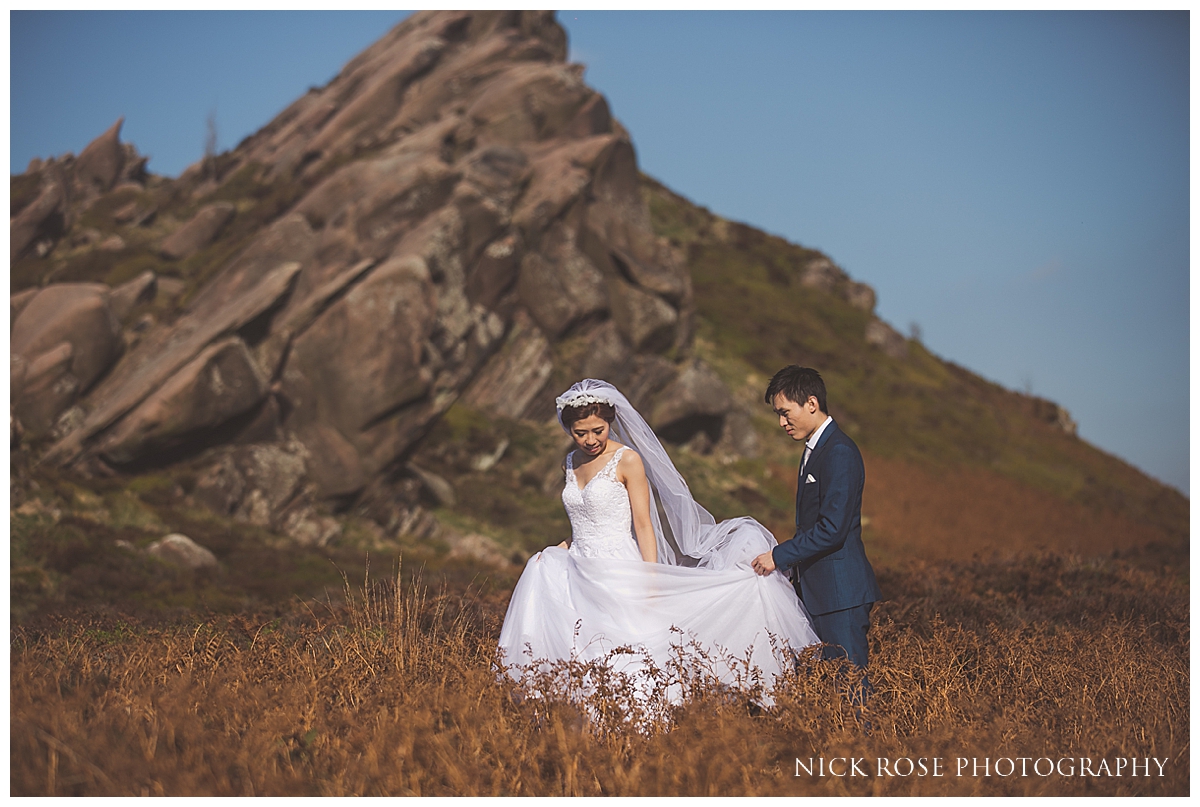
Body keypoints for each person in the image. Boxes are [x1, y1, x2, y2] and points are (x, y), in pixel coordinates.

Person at [496, 379, 819, 708]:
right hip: (577, 566)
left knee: (626, 644)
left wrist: (649, 579)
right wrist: (558, 550)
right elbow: (581, 522)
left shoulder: (627, 460)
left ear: (610, 423)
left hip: (618, 567)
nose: (590, 439)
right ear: (569, 429)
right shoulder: (570, 463)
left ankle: (635, 717)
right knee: (578, 644)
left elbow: (644, 524)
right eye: (581, 432)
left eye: (598, 429)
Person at [751, 366, 882, 704]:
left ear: (811, 403)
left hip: (841, 594)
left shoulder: (838, 451)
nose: (781, 422)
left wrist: (778, 556)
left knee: (853, 694)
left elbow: (832, 529)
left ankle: (863, 756)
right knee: (830, 696)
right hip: (820, 592)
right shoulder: (814, 449)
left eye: (785, 412)